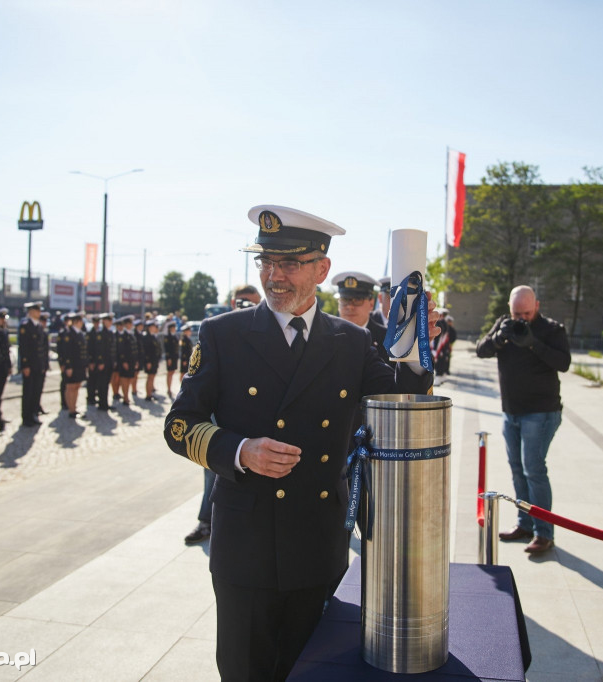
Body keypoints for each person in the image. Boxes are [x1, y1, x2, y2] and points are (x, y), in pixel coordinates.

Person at [163, 204, 438, 681]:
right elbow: (179, 426)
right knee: (246, 670)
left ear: (322, 269)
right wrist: (240, 450)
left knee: (314, 671)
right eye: (265, 263)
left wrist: (417, 348)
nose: (274, 277)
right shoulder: (222, 334)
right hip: (245, 548)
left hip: (317, 542)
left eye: (289, 263)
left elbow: (401, 396)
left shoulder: (349, 342)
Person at [475, 285, 571, 555]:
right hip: (511, 411)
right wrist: (497, 338)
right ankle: (525, 523)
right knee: (517, 469)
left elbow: (564, 363)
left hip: (541, 412)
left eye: (527, 313)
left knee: (534, 469)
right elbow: (481, 350)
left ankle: (544, 533)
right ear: (509, 308)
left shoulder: (552, 329)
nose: (521, 318)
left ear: (537, 306)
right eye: (516, 313)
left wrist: (533, 344)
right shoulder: (504, 325)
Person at [184, 284, 262, 546]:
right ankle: (207, 520)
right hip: (220, 417)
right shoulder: (220, 330)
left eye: (251, 303)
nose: (245, 307)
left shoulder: (267, 330)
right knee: (213, 468)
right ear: (232, 302)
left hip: (254, 417)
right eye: (241, 302)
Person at [331, 271, 389, 364]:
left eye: (358, 300)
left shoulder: (388, 339)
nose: (350, 306)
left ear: (371, 303)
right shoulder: (326, 336)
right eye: (345, 299)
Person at [18, 301, 47, 426]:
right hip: (30, 365)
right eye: (37, 310)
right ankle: (26, 417)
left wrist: (44, 365)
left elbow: (43, 348)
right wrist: (25, 365)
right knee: (28, 392)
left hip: (39, 365)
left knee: (37, 391)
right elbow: (24, 347)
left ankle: (34, 413)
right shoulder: (25, 326)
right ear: (31, 312)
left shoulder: (39, 326)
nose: (39, 313)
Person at [58, 312, 88, 419]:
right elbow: (66, 351)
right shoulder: (69, 334)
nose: (82, 323)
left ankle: (74, 408)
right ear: (76, 322)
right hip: (72, 365)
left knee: (76, 386)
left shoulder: (80, 333)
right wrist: (68, 366)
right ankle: (71, 409)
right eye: (81, 321)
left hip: (80, 365)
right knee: (70, 387)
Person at [87, 313, 116, 411]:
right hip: (103, 363)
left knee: (106, 384)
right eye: (109, 320)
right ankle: (102, 403)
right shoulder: (101, 334)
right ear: (104, 321)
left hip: (109, 363)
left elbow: (112, 349)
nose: (111, 322)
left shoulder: (109, 332)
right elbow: (98, 349)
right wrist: (100, 362)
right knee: (102, 384)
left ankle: (105, 403)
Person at [115, 315, 138, 405]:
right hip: (125, 362)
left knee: (129, 379)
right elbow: (121, 349)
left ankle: (126, 396)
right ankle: (125, 397)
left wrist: (136, 361)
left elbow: (135, 349)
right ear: (127, 324)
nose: (132, 325)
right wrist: (124, 361)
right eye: (131, 323)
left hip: (132, 361)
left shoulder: (131, 334)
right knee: (124, 379)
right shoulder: (123, 335)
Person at [141, 320, 163, 402]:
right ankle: (148, 395)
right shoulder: (146, 337)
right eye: (153, 326)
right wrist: (148, 361)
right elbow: (146, 351)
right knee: (150, 377)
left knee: (152, 377)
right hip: (150, 361)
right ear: (149, 327)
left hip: (154, 360)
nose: (155, 328)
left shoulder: (153, 336)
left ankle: (150, 393)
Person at [162, 320, 180, 399]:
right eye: (172, 328)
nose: (174, 329)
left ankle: (170, 388)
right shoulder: (167, 337)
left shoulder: (175, 336)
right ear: (169, 328)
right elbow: (167, 348)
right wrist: (168, 358)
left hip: (174, 357)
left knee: (172, 372)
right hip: (170, 357)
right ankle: (168, 389)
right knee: (169, 373)